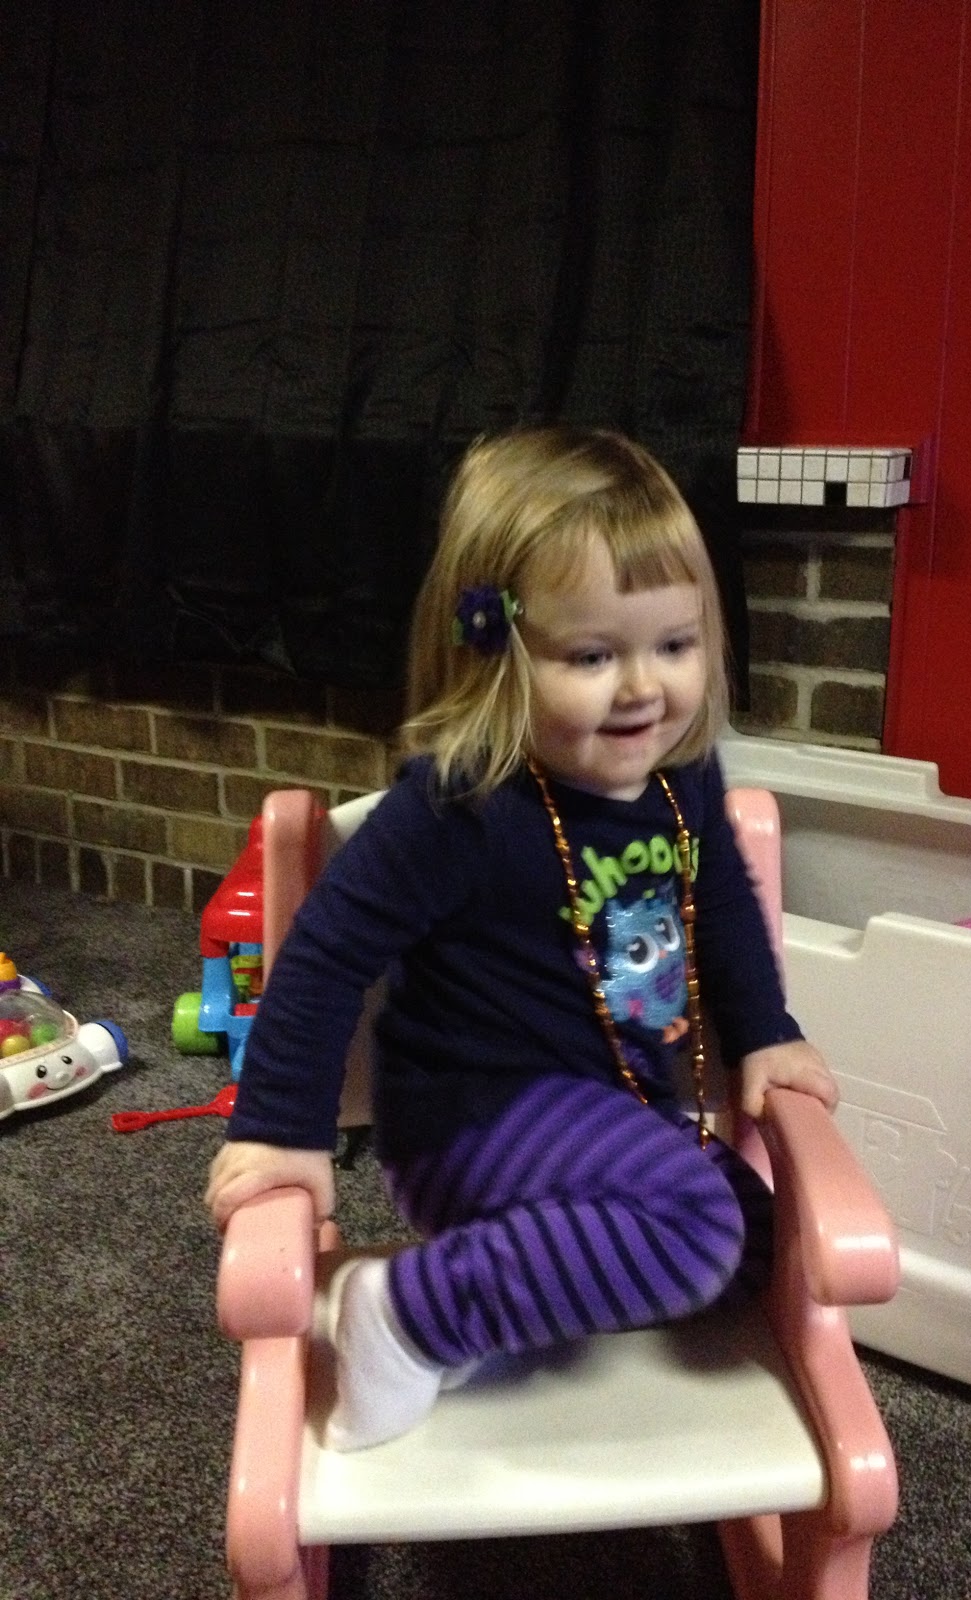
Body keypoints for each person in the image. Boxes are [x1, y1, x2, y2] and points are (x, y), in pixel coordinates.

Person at [206, 425, 838, 1451]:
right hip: (473, 1122)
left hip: (624, 1108)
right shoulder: (460, 805)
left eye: (674, 645)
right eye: (592, 655)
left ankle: (492, 1306)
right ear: (493, 648)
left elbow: (720, 899)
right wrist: (282, 1128)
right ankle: (408, 1317)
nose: (643, 686)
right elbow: (323, 955)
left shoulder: (682, 775)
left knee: (757, 1247)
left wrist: (766, 1030)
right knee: (693, 1226)